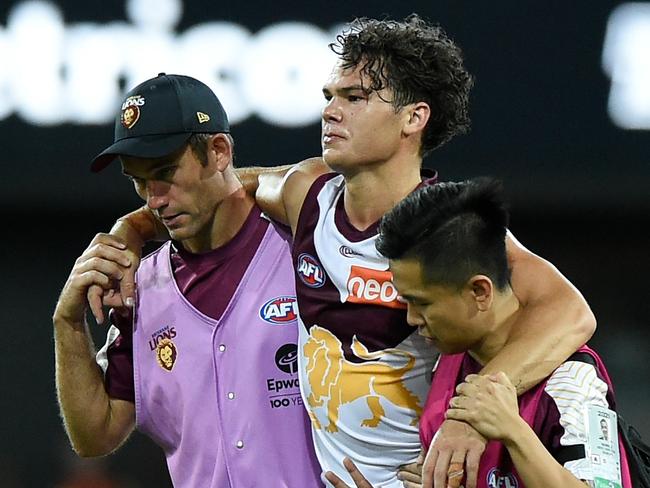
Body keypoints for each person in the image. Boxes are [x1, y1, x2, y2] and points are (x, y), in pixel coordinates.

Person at [108, 16, 596, 488]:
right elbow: (221, 188)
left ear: (414, 117)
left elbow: (570, 311)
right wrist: (133, 227)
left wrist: (473, 413)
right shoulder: (305, 195)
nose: (330, 111)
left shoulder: (445, 228)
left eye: (355, 98)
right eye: (330, 96)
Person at [52, 73, 322, 487]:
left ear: (218, 151)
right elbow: (95, 435)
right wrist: (67, 325)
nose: (153, 199)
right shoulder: (141, 287)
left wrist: (133, 225)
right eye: (139, 181)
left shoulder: (303, 239)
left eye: (166, 172)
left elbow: (334, 181)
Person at [368, 178, 632, 488]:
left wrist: (514, 433)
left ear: (480, 291)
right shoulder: (447, 365)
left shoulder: (571, 381)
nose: (412, 319)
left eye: (422, 303)